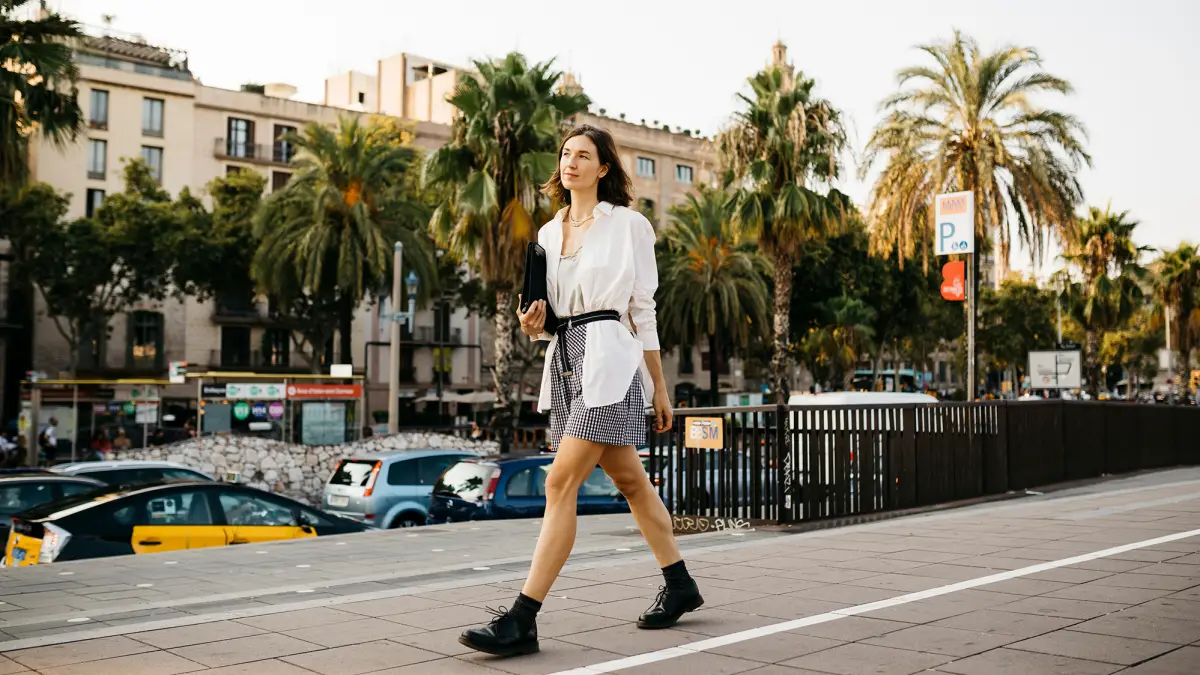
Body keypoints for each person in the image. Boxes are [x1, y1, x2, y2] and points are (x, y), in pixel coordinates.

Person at [458, 125, 702, 657]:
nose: (571, 161)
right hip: (567, 358)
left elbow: (642, 310)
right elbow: (549, 316)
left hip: (612, 360)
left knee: (558, 483)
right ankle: (680, 583)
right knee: (632, 482)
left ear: (604, 168)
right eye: (566, 153)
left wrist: (659, 388)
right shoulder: (547, 234)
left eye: (583, 155)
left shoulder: (629, 225)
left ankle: (523, 617)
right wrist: (532, 325)